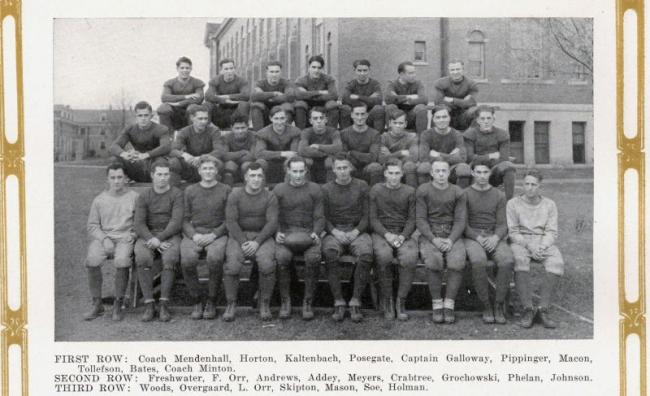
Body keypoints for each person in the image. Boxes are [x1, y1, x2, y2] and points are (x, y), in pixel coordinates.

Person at [507, 169, 564, 329]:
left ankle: (542, 309)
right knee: (519, 260)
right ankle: (528, 309)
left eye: (534, 184)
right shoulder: (513, 204)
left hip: (543, 241)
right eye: (527, 184)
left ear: (540, 186)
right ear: (522, 185)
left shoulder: (549, 204)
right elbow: (513, 231)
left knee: (557, 262)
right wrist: (529, 246)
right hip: (522, 241)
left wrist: (542, 246)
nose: (530, 187)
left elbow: (552, 231)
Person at [84, 163, 139, 321]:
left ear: (126, 178)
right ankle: (97, 304)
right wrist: (104, 238)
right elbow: (92, 226)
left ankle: (118, 303)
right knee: (92, 260)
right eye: (113, 178)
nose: (116, 181)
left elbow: (140, 221)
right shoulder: (99, 200)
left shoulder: (134, 198)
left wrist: (133, 235)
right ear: (107, 179)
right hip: (104, 237)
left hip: (124, 238)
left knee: (122, 261)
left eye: (120, 177)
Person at [321, 154, 373, 322]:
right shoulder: (326, 189)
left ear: (351, 168)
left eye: (345, 167)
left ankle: (355, 299)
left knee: (365, 254)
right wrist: (334, 231)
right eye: (339, 168)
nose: (342, 171)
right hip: (335, 231)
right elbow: (323, 217)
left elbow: (367, 215)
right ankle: (338, 300)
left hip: (357, 230)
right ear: (334, 169)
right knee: (329, 253)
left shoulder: (362, 186)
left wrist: (356, 231)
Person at [225, 162, 279, 321]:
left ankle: (264, 302)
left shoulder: (270, 196)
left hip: (262, 236)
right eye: (252, 176)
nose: (256, 179)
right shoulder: (235, 194)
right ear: (245, 177)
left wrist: (257, 242)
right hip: (239, 236)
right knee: (232, 266)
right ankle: (231, 303)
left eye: (259, 176)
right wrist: (243, 242)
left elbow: (272, 222)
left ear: (263, 178)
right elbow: (231, 222)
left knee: (267, 264)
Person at [273, 156, 324, 320]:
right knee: (282, 258)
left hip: (308, 233)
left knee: (313, 258)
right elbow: (273, 216)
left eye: (301, 171)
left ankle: (308, 300)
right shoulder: (279, 189)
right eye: (294, 171)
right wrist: (277, 232)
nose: (298, 175)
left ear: (306, 171)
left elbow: (320, 216)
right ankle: (285, 300)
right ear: (288, 171)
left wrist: (316, 232)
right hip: (286, 234)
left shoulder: (315, 189)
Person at [180, 155, 230, 321]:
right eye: (205, 169)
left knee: (215, 258)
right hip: (195, 233)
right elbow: (185, 219)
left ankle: (211, 299)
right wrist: (194, 235)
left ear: (216, 171)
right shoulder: (190, 190)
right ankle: (196, 299)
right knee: (187, 259)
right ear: (199, 171)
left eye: (211, 169)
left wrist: (214, 234)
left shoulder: (225, 190)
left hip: (217, 233)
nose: (208, 172)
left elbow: (230, 219)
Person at [416, 160, 467, 324]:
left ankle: (449, 304)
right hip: (431, 233)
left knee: (457, 262)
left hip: (452, 233)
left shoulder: (457, 191)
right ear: (431, 173)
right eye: (437, 171)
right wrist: (433, 239)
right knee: (433, 261)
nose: (440, 174)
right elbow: (421, 219)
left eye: (444, 171)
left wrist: (451, 239)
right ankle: (437, 303)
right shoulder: (423, 190)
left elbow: (460, 220)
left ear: (448, 173)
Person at [464, 161, 514, 324]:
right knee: (478, 261)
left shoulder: (498, 195)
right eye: (478, 172)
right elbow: (462, 223)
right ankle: (486, 304)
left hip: (493, 236)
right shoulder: (464, 194)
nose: (481, 176)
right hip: (473, 237)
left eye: (485, 172)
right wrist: (477, 238)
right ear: (472, 173)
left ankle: (498, 304)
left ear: (490, 174)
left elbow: (502, 223)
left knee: (506, 260)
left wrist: (495, 238)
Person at [134, 159, 183, 322]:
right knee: (142, 256)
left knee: (170, 257)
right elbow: (139, 223)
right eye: (159, 174)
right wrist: (152, 239)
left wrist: (159, 239)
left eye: (166, 174)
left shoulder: (177, 194)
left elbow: (176, 222)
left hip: (169, 235)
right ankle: (149, 304)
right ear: (152, 175)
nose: (163, 178)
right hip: (148, 235)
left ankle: (164, 303)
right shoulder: (144, 196)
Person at [369, 159, 418, 321]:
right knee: (383, 256)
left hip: (403, 232)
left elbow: (412, 219)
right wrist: (387, 235)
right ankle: (388, 299)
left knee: (410, 257)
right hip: (383, 233)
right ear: (385, 174)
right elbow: (373, 218)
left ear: (402, 174)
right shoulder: (376, 190)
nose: (394, 177)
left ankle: (400, 301)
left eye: (397, 173)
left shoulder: (410, 191)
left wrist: (403, 236)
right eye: (391, 173)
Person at [109, 101, 171, 182]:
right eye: (140, 115)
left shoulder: (161, 129)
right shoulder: (130, 129)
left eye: (146, 115)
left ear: (151, 116)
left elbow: (165, 147)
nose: (143, 118)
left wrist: (146, 155)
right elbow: (114, 146)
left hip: (154, 162)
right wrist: (125, 154)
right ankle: (123, 180)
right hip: (138, 162)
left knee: (162, 162)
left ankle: (159, 184)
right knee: (115, 159)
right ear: (136, 117)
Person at [463, 105, 516, 200]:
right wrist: (490, 156)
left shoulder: (502, 134)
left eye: (489, 118)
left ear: (493, 119)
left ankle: (508, 202)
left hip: (494, 171)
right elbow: (469, 157)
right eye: (482, 118)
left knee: (509, 166)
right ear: (477, 120)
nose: (486, 121)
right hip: (475, 171)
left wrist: (479, 158)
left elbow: (504, 159)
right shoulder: (470, 134)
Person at [169, 104, 226, 184]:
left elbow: (219, 151)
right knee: (173, 162)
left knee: (218, 164)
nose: (203, 122)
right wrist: (184, 155)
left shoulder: (214, 131)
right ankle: (174, 190)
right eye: (200, 119)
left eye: (206, 118)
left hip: (207, 163)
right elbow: (172, 150)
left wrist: (201, 158)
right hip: (191, 164)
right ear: (192, 118)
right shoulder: (184, 131)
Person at [417, 104, 471, 186]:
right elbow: (423, 157)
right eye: (438, 117)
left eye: (444, 117)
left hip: (451, 168)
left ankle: (461, 196)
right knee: (424, 167)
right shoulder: (426, 134)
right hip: (433, 168)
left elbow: (462, 158)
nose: (441, 120)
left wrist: (438, 155)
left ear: (449, 118)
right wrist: (451, 156)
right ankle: (425, 193)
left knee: (464, 168)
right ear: (433, 119)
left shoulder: (457, 134)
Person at [254, 107, 302, 184]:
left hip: (287, 162)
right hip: (270, 162)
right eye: (276, 118)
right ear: (270, 118)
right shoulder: (262, 133)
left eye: (282, 118)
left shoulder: (295, 131)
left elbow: (293, 153)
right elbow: (259, 153)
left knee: (292, 161)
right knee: (260, 162)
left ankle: (289, 187)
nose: (279, 122)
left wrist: (287, 156)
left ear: (286, 118)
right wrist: (282, 154)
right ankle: (262, 189)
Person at [157, 56, 205, 132]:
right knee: (163, 108)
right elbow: (165, 98)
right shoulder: (170, 83)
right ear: (177, 69)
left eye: (187, 68)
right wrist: (186, 96)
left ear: (191, 68)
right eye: (182, 68)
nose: (185, 70)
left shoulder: (197, 83)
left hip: (190, 116)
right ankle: (167, 137)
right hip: (174, 115)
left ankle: (192, 137)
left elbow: (199, 99)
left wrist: (179, 103)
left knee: (193, 108)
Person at [339, 103, 383, 186]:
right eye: (357, 114)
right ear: (352, 115)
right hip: (351, 167)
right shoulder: (344, 133)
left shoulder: (375, 134)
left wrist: (352, 153)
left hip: (367, 169)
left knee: (375, 167)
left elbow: (373, 157)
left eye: (362, 114)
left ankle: (373, 194)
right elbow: (343, 156)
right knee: (343, 165)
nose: (360, 117)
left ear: (367, 115)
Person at [297, 107, 343, 183]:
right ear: (310, 121)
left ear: (326, 120)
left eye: (321, 118)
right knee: (306, 161)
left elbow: (338, 148)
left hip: (327, 162)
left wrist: (318, 146)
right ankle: (308, 187)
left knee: (330, 162)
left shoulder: (333, 132)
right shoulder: (306, 132)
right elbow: (302, 150)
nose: (319, 121)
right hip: (313, 161)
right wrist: (325, 153)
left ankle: (330, 187)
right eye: (315, 118)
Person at [294, 55, 339, 129]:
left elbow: (334, 95)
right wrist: (320, 92)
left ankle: (331, 133)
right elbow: (298, 95)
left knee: (332, 105)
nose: (316, 70)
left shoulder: (329, 79)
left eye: (319, 68)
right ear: (309, 68)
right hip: (307, 106)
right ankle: (301, 134)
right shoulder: (301, 80)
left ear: (322, 69)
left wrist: (308, 94)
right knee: (300, 104)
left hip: (324, 106)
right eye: (313, 67)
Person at [204, 58, 251, 129]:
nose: (229, 71)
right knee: (207, 104)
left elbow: (246, 95)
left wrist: (226, 96)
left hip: (236, 111)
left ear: (234, 69)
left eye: (231, 68)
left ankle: (240, 128)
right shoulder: (215, 80)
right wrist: (223, 100)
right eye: (226, 69)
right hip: (220, 112)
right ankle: (207, 129)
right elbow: (208, 96)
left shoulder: (242, 81)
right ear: (221, 71)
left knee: (244, 104)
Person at [339, 59, 385, 131]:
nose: (362, 73)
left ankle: (378, 138)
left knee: (378, 108)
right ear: (355, 70)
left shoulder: (375, 84)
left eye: (365, 70)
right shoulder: (351, 84)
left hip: (369, 116)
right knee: (345, 108)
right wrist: (368, 99)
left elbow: (378, 100)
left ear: (369, 70)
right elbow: (345, 99)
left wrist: (357, 97)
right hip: (354, 116)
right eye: (359, 70)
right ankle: (345, 137)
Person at [378, 109, 419, 188]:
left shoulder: (412, 137)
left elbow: (414, 157)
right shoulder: (383, 137)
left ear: (405, 124)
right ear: (390, 123)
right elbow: (381, 159)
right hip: (388, 168)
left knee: (410, 165)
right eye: (395, 123)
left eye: (401, 123)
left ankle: (412, 194)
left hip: (405, 168)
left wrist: (390, 155)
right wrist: (400, 153)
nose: (397, 126)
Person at [433, 60, 479, 131]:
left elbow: (472, 103)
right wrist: (463, 102)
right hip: (447, 115)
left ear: (463, 69)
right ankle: (436, 137)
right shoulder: (440, 83)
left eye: (458, 69)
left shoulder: (471, 84)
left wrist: (452, 100)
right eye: (452, 70)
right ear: (449, 71)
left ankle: (472, 137)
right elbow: (438, 101)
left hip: (464, 117)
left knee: (475, 110)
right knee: (440, 109)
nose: (455, 72)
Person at [385, 61, 429, 133]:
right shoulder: (392, 84)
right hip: (397, 116)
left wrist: (402, 99)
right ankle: (391, 136)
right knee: (390, 107)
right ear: (402, 74)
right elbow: (388, 99)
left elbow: (424, 99)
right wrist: (410, 97)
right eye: (411, 73)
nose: (414, 75)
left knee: (421, 107)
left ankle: (421, 139)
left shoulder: (418, 83)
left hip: (412, 116)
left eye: (414, 72)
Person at [250, 61, 295, 131]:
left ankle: (286, 135)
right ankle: (259, 136)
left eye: (277, 72)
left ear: (280, 73)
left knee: (287, 106)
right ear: (267, 73)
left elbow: (289, 97)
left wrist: (265, 97)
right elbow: (254, 96)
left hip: (282, 115)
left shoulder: (286, 83)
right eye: (271, 72)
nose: (274, 74)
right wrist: (273, 93)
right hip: (265, 115)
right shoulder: (260, 83)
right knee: (256, 106)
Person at [221, 113, 256, 187]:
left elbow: (252, 156)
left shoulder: (254, 136)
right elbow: (224, 156)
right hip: (232, 170)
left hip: (247, 170)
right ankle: (227, 192)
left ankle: (249, 192)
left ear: (248, 127)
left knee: (246, 165)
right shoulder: (226, 138)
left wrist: (233, 156)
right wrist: (243, 152)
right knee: (229, 164)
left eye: (243, 128)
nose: (240, 131)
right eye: (237, 128)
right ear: (231, 128)